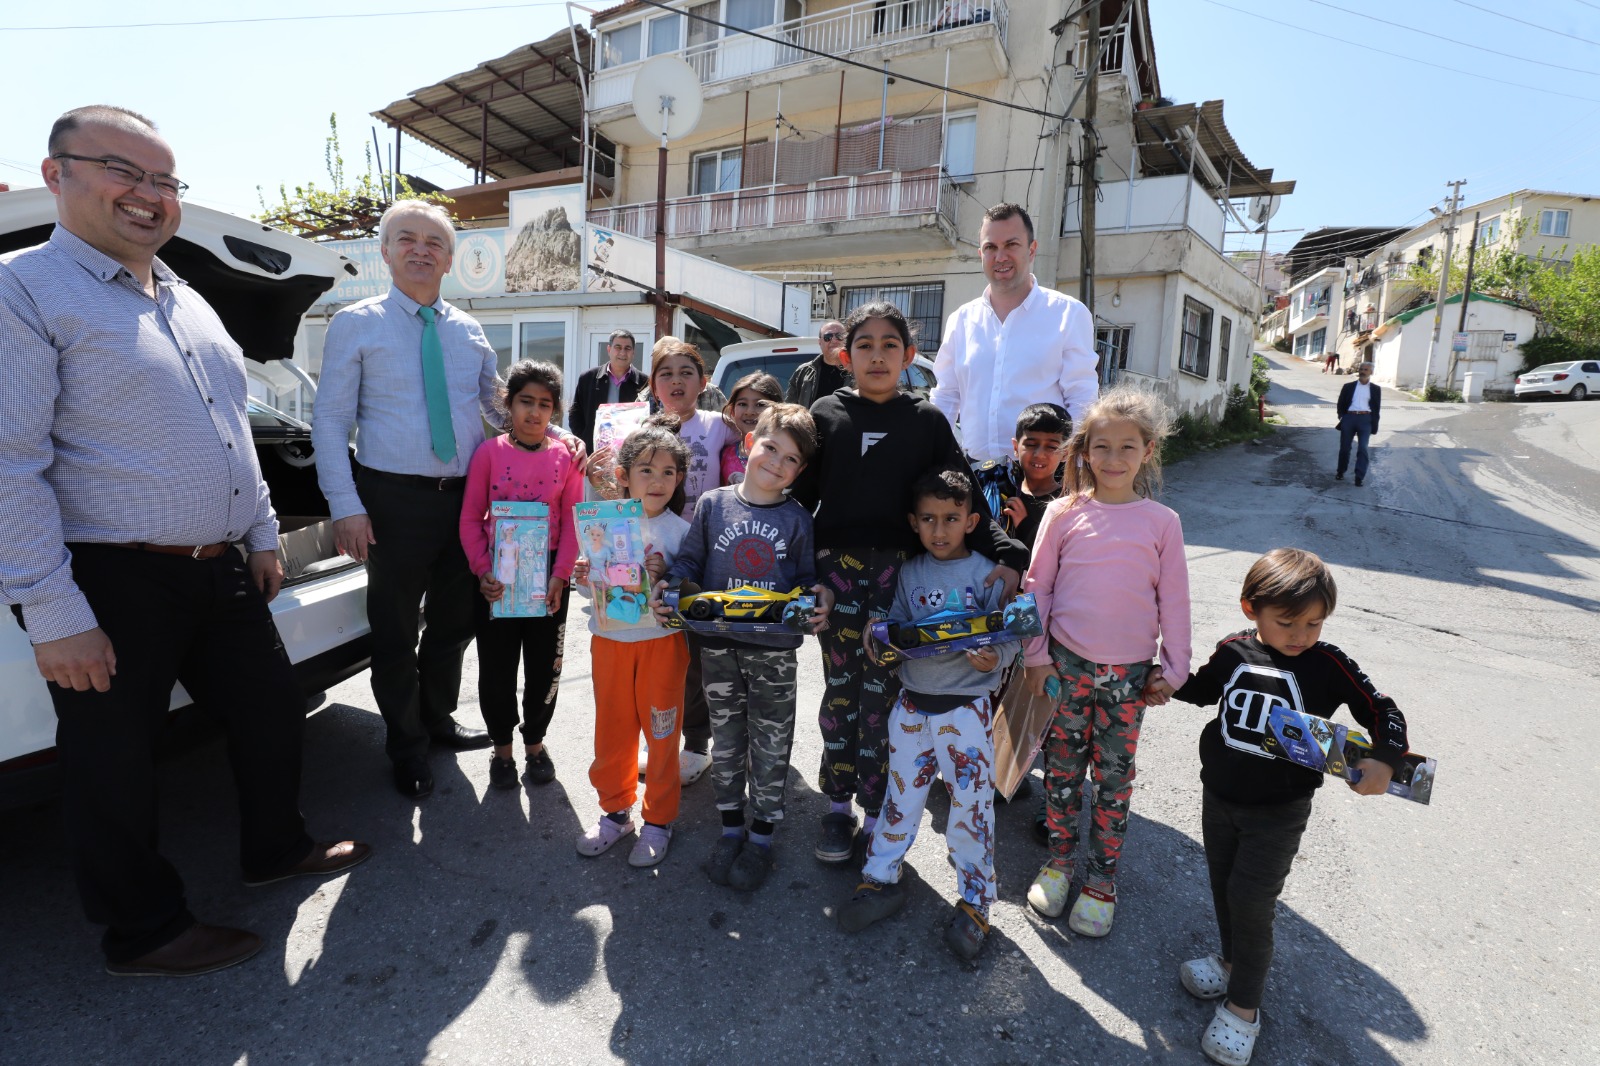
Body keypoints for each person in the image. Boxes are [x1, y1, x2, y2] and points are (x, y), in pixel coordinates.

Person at [0, 105, 368, 977]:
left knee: (270, 711)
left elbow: (231, 426)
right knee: (113, 763)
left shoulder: (189, 298)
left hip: (220, 567)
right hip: (108, 575)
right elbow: (10, 463)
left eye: (165, 180)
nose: (150, 194)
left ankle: (276, 847)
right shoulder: (22, 289)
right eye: (124, 171)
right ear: (57, 175)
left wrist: (263, 534)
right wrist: (52, 612)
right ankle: (144, 931)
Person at [315, 200, 551, 799]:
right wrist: (346, 505)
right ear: (385, 251)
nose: (420, 250)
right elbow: (330, 421)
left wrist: (559, 438)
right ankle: (406, 745)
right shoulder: (355, 323)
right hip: (391, 501)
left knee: (456, 621)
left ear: (449, 259)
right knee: (395, 630)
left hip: (466, 502)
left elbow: (498, 406)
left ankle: (437, 719)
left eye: (434, 242)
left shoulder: (468, 329)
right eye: (407, 239)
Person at [791, 302, 1027, 867]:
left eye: (889, 345)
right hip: (836, 576)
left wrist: (1009, 553)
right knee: (841, 692)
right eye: (864, 345)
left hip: (902, 579)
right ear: (845, 356)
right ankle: (837, 805)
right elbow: (797, 501)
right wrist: (791, 569)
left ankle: (878, 810)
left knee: (885, 697)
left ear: (909, 355)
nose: (877, 356)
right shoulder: (825, 412)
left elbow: (963, 491)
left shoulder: (926, 421)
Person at [1164, 548, 1408, 1066]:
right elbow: (1201, 690)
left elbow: (1381, 709)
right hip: (1218, 797)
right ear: (1250, 608)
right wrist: (1159, 677)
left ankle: (1243, 1009)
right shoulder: (1233, 651)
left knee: (1251, 902)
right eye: (1287, 622)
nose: (1301, 634)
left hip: (1279, 811)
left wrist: (1386, 759)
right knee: (1223, 887)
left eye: (1314, 623)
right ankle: (1231, 964)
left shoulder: (1329, 663)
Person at [1021, 385, 1191, 938]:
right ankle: (1059, 863)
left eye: (1127, 447)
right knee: (1062, 771)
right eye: (1101, 446)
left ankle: (1101, 880)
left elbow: (1175, 601)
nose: (1113, 458)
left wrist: (1175, 669)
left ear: (1148, 451)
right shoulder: (1062, 513)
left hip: (1130, 678)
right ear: (1084, 451)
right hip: (1064, 669)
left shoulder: (1162, 522)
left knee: (1114, 781)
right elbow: (1037, 588)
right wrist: (1036, 656)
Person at [835, 467, 1017, 959]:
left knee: (970, 808)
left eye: (951, 518)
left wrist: (996, 658)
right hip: (912, 706)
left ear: (971, 521)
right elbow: (894, 624)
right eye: (929, 519)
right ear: (914, 523)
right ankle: (879, 877)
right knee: (900, 799)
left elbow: (1011, 634)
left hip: (966, 711)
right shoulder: (910, 572)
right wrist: (882, 639)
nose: (939, 529)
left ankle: (976, 901)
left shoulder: (987, 573)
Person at [659, 404, 833, 891]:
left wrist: (815, 597)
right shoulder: (713, 505)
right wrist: (670, 585)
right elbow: (689, 563)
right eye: (771, 448)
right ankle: (731, 828)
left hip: (773, 653)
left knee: (771, 745)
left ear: (801, 470)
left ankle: (761, 837)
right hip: (717, 648)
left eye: (791, 459)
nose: (777, 463)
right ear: (750, 441)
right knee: (728, 742)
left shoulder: (799, 519)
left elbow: (805, 580)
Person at [588, 337, 734, 786]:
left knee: (693, 659)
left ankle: (695, 745)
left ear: (703, 382)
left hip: (701, 553)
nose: (676, 381)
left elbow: (751, 446)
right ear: (652, 385)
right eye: (665, 374)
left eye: (686, 372)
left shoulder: (719, 425)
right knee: (656, 655)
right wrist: (593, 472)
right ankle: (654, 744)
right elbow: (617, 487)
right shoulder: (635, 428)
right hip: (643, 556)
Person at [458, 360, 585, 790]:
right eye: (525, 401)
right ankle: (502, 750)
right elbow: (470, 519)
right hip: (498, 578)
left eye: (544, 404)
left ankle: (535, 744)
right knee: (497, 668)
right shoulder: (488, 453)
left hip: (548, 578)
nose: (534, 411)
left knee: (545, 667)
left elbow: (573, 522)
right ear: (508, 404)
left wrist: (560, 575)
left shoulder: (566, 458)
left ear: (555, 410)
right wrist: (482, 570)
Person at [573, 417, 693, 867]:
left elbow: (691, 592)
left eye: (668, 472)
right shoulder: (602, 524)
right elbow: (591, 590)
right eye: (646, 470)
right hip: (610, 643)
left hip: (663, 644)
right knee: (614, 730)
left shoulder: (682, 532)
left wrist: (669, 580)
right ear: (623, 476)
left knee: (662, 732)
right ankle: (615, 812)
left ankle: (659, 820)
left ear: (679, 479)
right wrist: (583, 576)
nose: (657, 480)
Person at [931, 203, 1098, 463]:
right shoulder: (960, 321)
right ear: (981, 254)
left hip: (1043, 475)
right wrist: (931, 458)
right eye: (991, 247)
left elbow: (1081, 400)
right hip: (975, 473)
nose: (1000, 257)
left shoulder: (1068, 314)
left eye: (1011, 245)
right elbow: (946, 396)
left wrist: (1072, 469)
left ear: (1031, 250)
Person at [998, 402, 1071, 548]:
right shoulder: (1000, 490)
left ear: (1065, 453)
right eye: (1031, 444)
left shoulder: (1068, 503)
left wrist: (1025, 525)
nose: (1039, 454)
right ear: (1015, 447)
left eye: (1051, 447)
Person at [570, 329, 648, 451]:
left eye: (627, 348)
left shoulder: (645, 383)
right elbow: (575, 414)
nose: (622, 352)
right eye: (618, 347)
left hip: (629, 454)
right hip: (594, 452)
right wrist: (585, 440)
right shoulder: (588, 378)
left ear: (633, 352)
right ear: (609, 349)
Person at [719, 371, 784, 485]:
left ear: (777, 409)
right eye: (742, 404)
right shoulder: (725, 455)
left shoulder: (783, 454)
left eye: (760, 405)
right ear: (732, 410)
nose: (750, 412)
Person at [785, 318, 853, 408]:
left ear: (846, 340)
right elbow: (789, 408)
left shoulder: (857, 371)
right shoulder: (803, 372)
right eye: (828, 337)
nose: (834, 340)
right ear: (820, 342)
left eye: (839, 336)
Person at [1335, 361, 1380, 487]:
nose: (1362, 371)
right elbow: (1341, 402)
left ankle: (1359, 477)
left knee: (1363, 448)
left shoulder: (1375, 389)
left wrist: (1374, 422)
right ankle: (1340, 471)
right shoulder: (1348, 386)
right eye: (1361, 369)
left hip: (1365, 419)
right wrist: (1342, 416)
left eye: (1366, 369)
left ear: (1371, 372)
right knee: (1345, 447)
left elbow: (1376, 407)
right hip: (1349, 418)